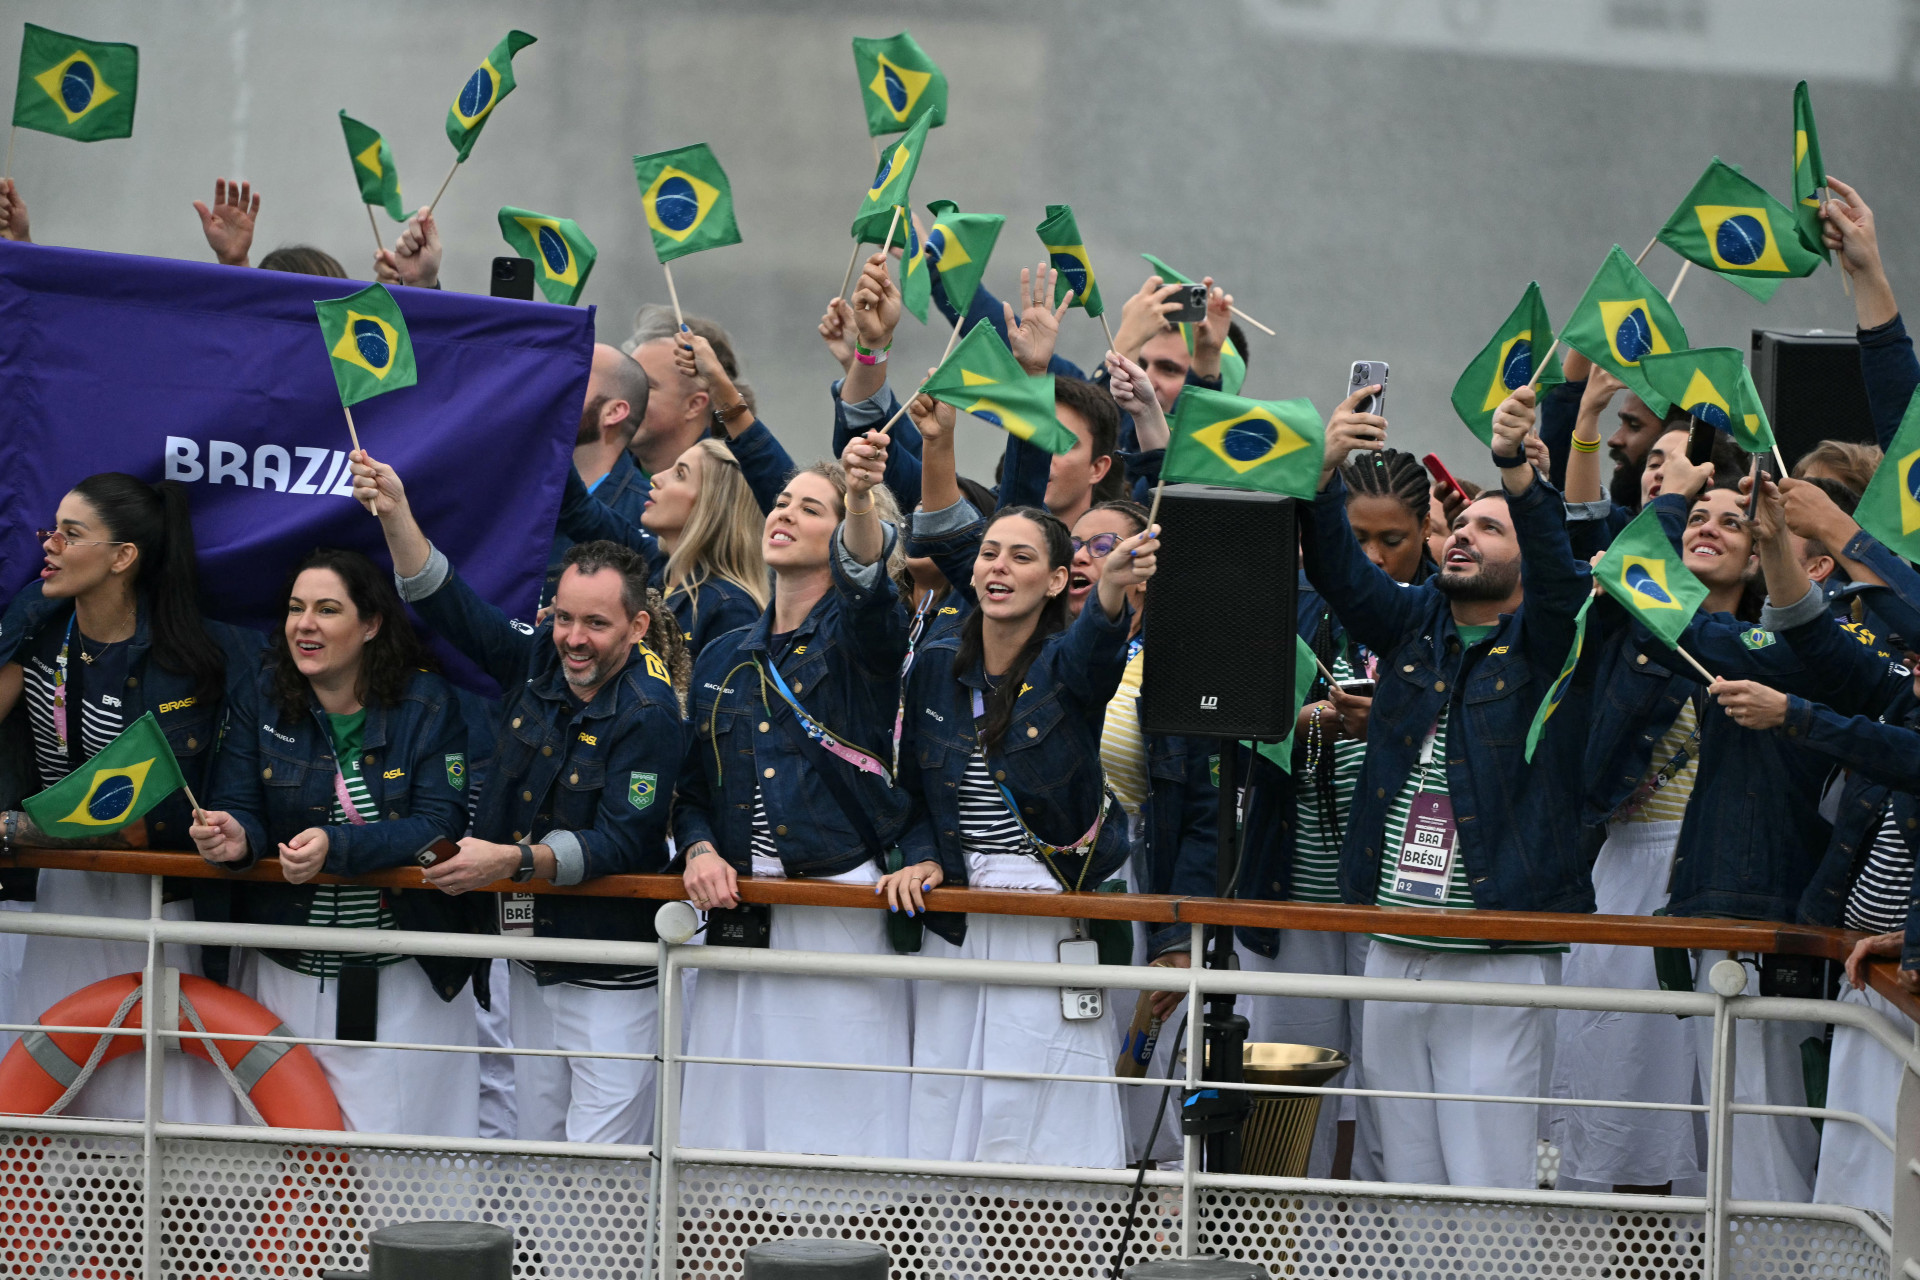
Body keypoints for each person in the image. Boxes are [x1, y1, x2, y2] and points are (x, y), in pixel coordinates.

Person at [351, 451, 688, 1146]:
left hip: (612, 973)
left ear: (637, 628)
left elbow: (623, 840)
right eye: (563, 618)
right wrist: (396, 511)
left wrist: (510, 861)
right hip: (531, 961)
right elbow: (450, 605)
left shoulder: (650, 710)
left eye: (595, 624)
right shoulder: (539, 658)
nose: (572, 639)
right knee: (537, 1148)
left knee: (601, 1166)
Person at [1305, 382, 1590, 1189]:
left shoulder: (1547, 645)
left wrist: (1518, 477)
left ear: (1528, 558)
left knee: (1486, 1181)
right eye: (1459, 524)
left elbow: (1565, 589)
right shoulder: (1414, 623)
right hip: (1394, 946)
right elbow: (1336, 570)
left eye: (1488, 529)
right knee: (1406, 1175)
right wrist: (1326, 469)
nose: (1463, 535)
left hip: (1495, 954)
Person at [880, 389, 1158, 1163]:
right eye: (991, 555)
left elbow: (1099, 643)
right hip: (955, 910)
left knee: (1036, 1126)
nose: (1000, 568)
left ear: (1055, 580)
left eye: (1022, 557)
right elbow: (903, 792)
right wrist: (920, 854)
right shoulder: (934, 666)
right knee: (944, 1119)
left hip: (1044, 913)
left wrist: (1111, 588)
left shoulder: (1070, 667)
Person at [188, 549, 484, 1136]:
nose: (306, 624)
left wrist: (335, 845)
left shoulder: (427, 701)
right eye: (296, 609)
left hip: (398, 973)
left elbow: (437, 827)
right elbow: (242, 806)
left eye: (327, 609)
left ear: (371, 624)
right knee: (279, 1166)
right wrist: (233, 836)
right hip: (281, 967)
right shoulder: (262, 695)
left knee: (393, 1165)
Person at [675, 446, 914, 1160]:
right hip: (737, 909)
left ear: (841, 535)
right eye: (781, 501)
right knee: (725, 1143)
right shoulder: (722, 653)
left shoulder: (862, 639)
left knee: (837, 1138)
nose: (782, 511)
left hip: (836, 899)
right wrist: (699, 848)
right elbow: (689, 789)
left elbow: (870, 587)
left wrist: (864, 497)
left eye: (811, 507)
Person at [0, 474, 261, 1123]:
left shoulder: (185, 659)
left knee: (161, 1115)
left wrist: (12, 829)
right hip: (60, 898)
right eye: (50, 529)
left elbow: (142, 822)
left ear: (123, 557)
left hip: (155, 905)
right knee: (45, 1112)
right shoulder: (38, 616)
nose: (50, 545)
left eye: (72, 532)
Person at [1237, 441, 1436, 1182]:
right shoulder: (1291, 604)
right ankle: (1295, 1256)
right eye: (1356, 539)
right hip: (1298, 896)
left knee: (1391, 1107)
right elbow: (1239, 730)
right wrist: (1308, 720)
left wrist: (1391, 717)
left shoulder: (1444, 618)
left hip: (1401, 903)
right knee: (1293, 1104)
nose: (1376, 557)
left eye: (1394, 539)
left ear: (1427, 531)